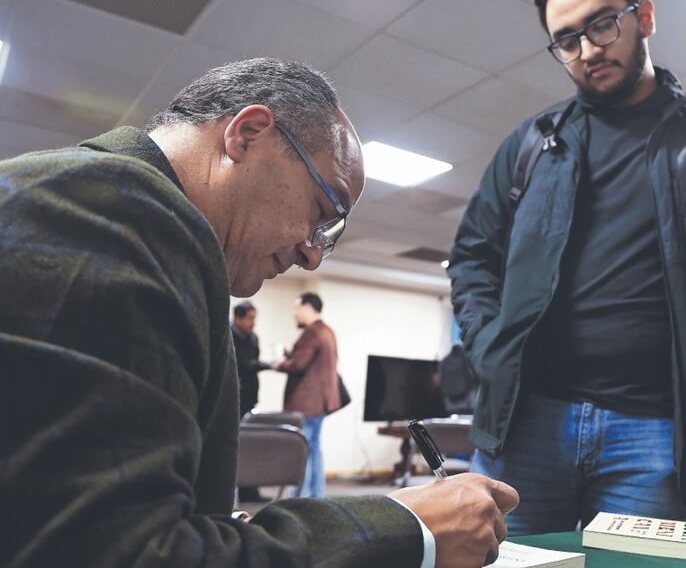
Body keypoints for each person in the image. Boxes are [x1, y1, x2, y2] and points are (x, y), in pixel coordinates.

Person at [0, 58, 517, 567]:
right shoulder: (110, 213)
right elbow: (112, 551)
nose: (313, 253)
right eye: (323, 211)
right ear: (248, 134)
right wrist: (406, 528)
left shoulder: (142, 227)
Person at [449, 0, 686, 535]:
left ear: (645, 16)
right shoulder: (532, 145)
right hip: (526, 425)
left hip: (658, 436)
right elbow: (473, 256)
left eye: (602, 23)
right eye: (566, 39)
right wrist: (489, 346)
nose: (588, 50)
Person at [273, 292, 338, 498]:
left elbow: (300, 365)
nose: (294, 313)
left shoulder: (312, 332)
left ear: (307, 307)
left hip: (307, 404)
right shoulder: (328, 332)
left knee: (303, 452)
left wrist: (277, 364)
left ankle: (299, 500)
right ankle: (317, 497)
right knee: (314, 450)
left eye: (296, 308)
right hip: (320, 402)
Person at [231, 300, 269, 501]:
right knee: (234, 445)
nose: (253, 323)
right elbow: (242, 365)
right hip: (232, 398)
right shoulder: (228, 336)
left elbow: (251, 364)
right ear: (238, 318)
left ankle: (249, 492)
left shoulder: (253, 338)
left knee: (249, 445)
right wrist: (265, 365)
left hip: (249, 398)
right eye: (250, 318)